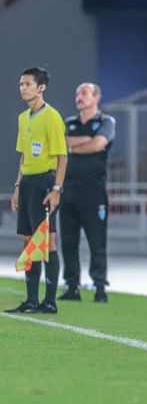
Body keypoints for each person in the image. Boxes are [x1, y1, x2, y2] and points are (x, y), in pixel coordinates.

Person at [5, 67, 67, 314]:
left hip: (45, 183)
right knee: (29, 241)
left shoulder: (52, 116)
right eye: (21, 84)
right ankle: (31, 300)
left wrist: (56, 190)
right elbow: (23, 157)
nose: (23, 88)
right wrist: (18, 186)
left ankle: (49, 302)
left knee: (48, 241)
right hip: (28, 183)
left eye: (28, 84)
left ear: (41, 87)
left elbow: (62, 157)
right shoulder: (23, 118)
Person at [59, 83, 116, 303]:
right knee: (69, 242)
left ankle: (100, 287)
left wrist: (74, 146)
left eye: (84, 93)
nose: (79, 97)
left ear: (96, 97)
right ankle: (72, 286)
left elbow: (98, 145)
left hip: (93, 192)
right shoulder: (69, 123)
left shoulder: (106, 122)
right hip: (69, 190)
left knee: (97, 241)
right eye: (77, 93)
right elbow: (61, 143)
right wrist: (86, 141)